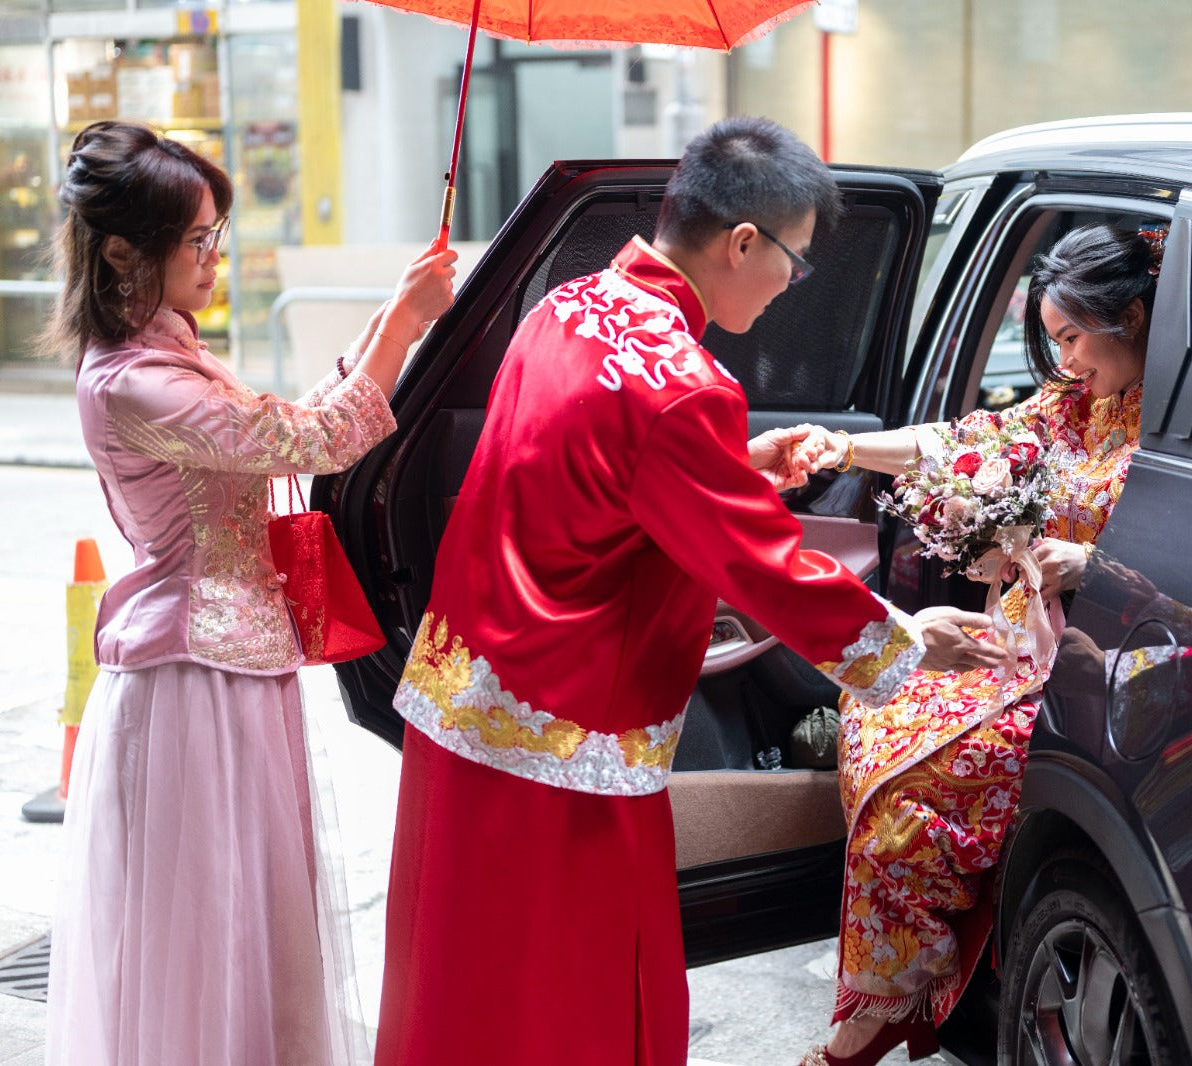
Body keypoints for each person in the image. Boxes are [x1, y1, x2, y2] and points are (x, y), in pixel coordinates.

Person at [370, 115, 1005, 1066]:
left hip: (467, 701)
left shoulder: (565, 308)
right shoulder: (684, 385)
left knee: (462, 978)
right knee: (574, 995)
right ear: (742, 241)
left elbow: (584, 480)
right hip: (569, 738)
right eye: (797, 258)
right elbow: (762, 568)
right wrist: (911, 641)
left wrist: (732, 465)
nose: (796, 282)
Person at [44, 119, 457, 1066]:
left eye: (213, 237)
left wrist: (394, 315)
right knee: (211, 933)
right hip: (193, 682)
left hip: (233, 672)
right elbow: (306, 441)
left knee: (253, 924)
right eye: (197, 241)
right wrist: (402, 322)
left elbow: (283, 421)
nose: (213, 259)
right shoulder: (133, 385)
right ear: (121, 251)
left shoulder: (168, 352)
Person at [785, 223, 1161, 1065]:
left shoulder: (1186, 426)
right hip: (1022, 647)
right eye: (1054, 338)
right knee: (876, 706)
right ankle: (902, 987)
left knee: (903, 804)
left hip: (1099, 675)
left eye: (1072, 336)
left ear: (1131, 315)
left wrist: (1095, 564)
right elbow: (954, 445)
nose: (1062, 358)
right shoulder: (1073, 403)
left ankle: (890, 1005)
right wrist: (842, 446)